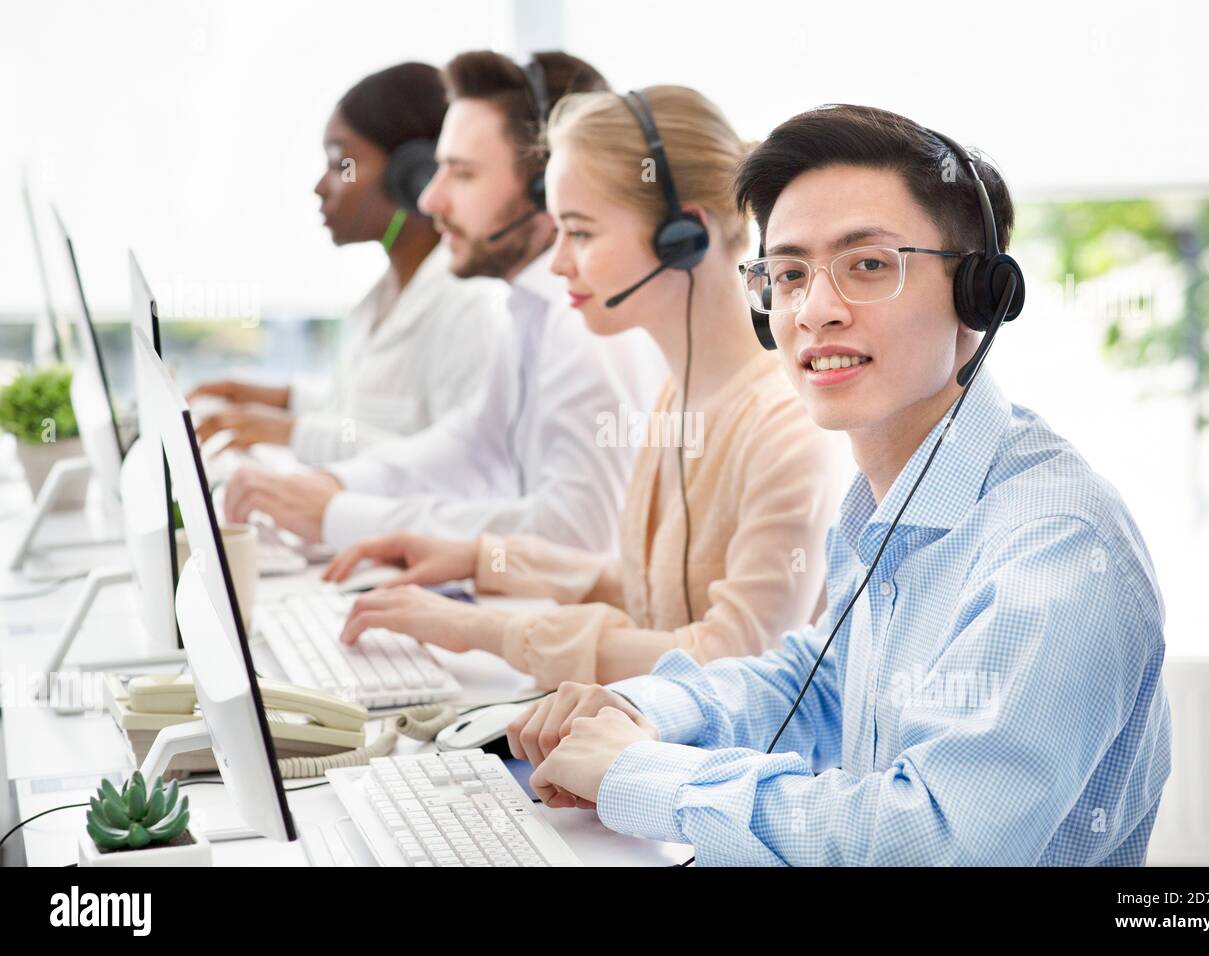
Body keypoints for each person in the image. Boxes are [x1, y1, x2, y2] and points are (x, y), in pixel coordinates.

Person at [507, 104, 1173, 866]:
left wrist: (645, 776)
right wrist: (647, 709)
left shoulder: (1055, 549)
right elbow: (821, 683)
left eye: (868, 266)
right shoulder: (887, 500)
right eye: (790, 275)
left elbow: (929, 838)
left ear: (977, 298)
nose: (815, 311)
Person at [320, 86, 843, 690]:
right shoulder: (681, 396)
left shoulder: (786, 429)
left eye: (582, 233)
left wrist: (486, 630)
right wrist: (479, 559)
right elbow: (655, 591)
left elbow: (732, 659)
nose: (559, 263)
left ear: (683, 238)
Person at [221, 52, 664, 554]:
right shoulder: (529, 311)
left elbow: (580, 536)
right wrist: (333, 486)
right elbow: (471, 446)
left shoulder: (586, 324)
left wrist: (341, 516)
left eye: (463, 174)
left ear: (547, 188)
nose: (429, 200)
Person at [188, 62, 506, 465]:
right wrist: (276, 399)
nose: (320, 187)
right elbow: (358, 415)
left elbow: (460, 467)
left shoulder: (470, 306)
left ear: (413, 175)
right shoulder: (383, 296)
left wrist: (291, 432)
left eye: (342, 165)